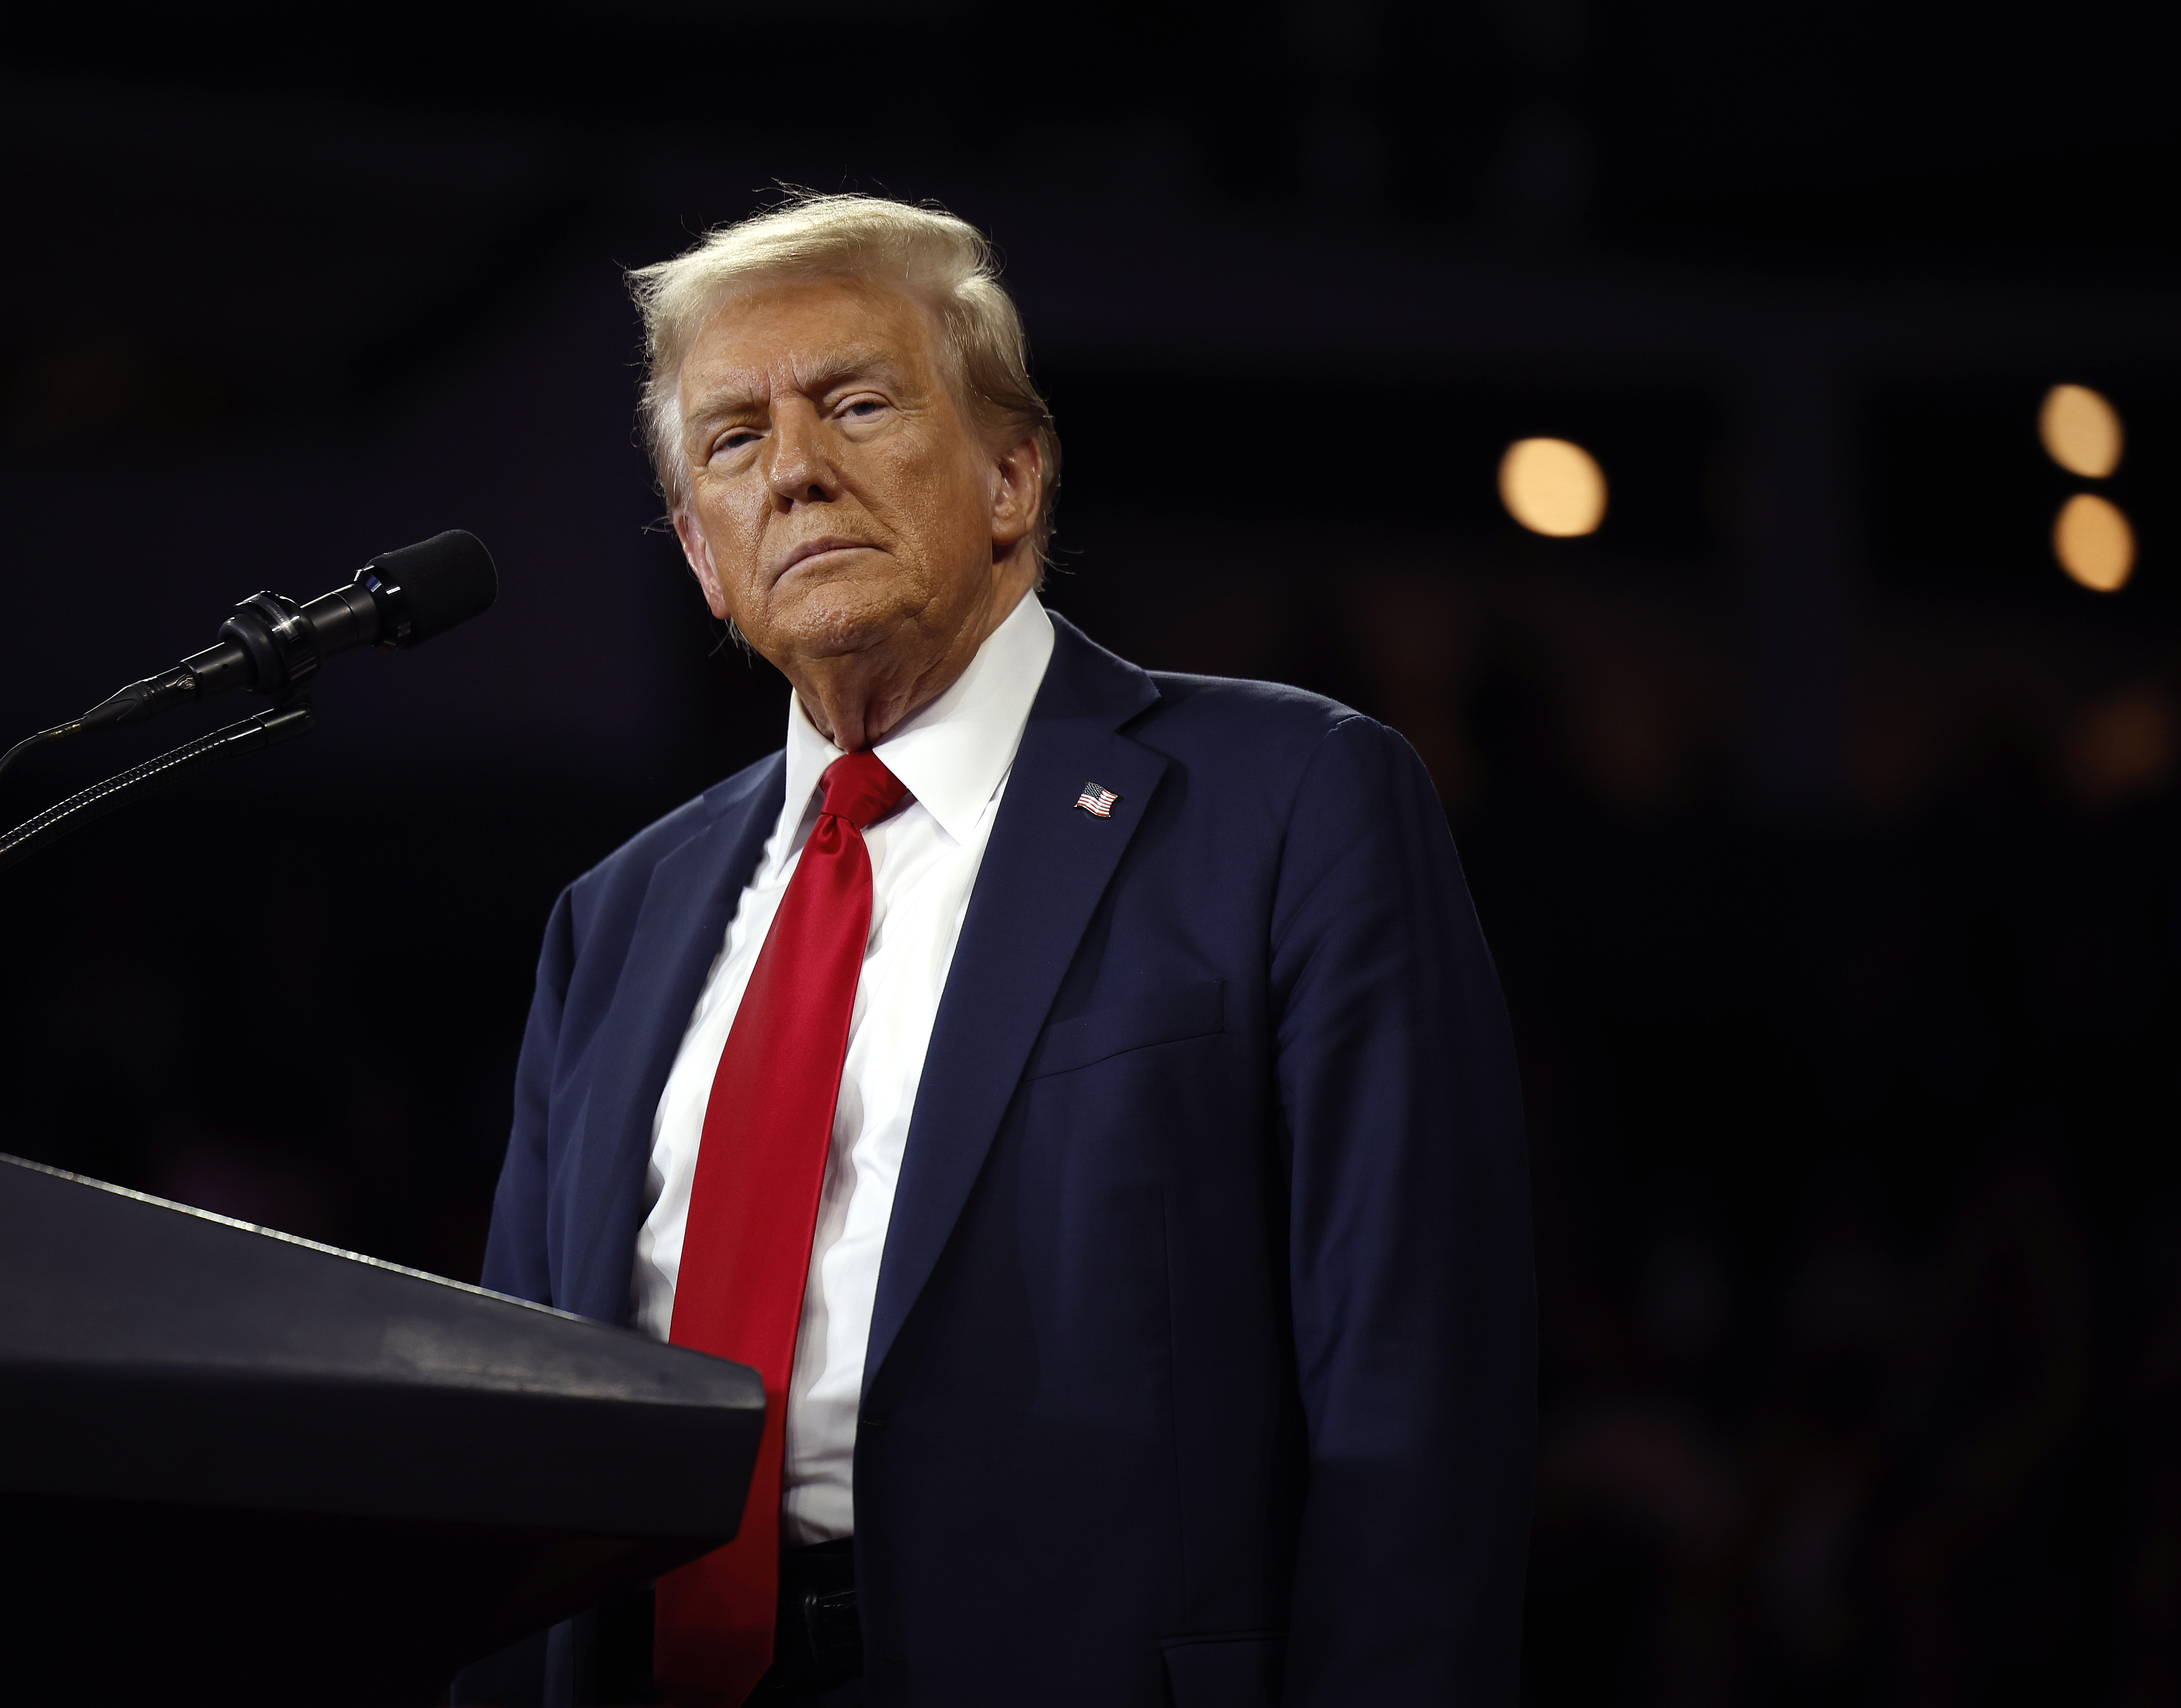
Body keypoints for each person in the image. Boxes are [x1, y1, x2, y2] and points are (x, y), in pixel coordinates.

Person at [477, 193, 1533, 1708]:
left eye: (855, 403)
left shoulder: (1294, 801)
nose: (794, 470)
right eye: (731, 441)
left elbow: (1417, 1387)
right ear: (704, 563)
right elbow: (526, 1433)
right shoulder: (617, 917)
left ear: (1012, 477)